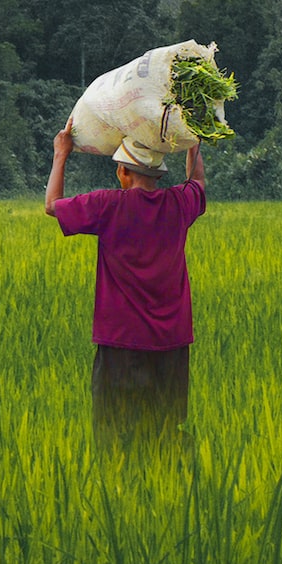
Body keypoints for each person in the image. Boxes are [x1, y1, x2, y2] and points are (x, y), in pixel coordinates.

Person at [45, 119, 206, 446]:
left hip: (121, 341)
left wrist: (60, 153)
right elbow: (198, 181)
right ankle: (171, 490)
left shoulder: (107, 205)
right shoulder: (178, 204)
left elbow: (52, 206)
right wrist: (193, 142)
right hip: (172, 342)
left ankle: (123, 492)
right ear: (159, 174)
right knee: (166, 432)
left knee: (116, 434)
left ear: (123, 173)